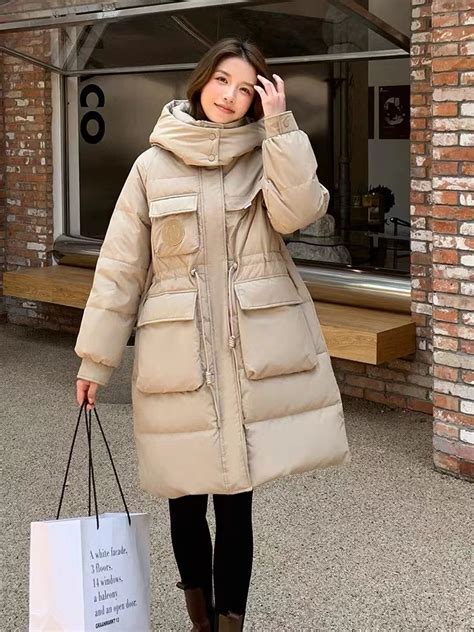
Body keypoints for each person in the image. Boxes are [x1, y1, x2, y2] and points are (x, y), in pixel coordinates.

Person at [75, 38, 350, 632]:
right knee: (183, 502)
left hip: (246, 356)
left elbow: (301, 212)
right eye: (223, 80)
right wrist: (95, 360)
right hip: (178, 357)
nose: (230, 96)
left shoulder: (267, 154)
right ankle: (200, 620)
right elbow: (121, 269)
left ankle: (230, 625)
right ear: (201, 81)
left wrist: (280, 126)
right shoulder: (150, 167)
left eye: (246, 88)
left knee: (236, 507)